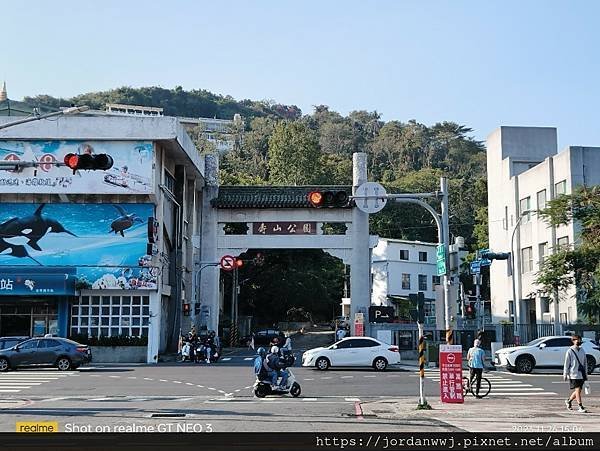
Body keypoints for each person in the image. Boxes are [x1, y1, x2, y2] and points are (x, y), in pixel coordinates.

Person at [564, 334, 588, 413]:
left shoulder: (582, 350)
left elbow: (585, 363)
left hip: (581, 374)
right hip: (573, 374)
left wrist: (586, 373)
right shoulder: (570, 351)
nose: (579, 342)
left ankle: (569, 401)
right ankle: (580, 406)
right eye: (578, 340)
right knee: (577, 390)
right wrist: (565, 374)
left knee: (579, 390)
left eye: (580, 340)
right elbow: (566, 363)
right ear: (573, 341)